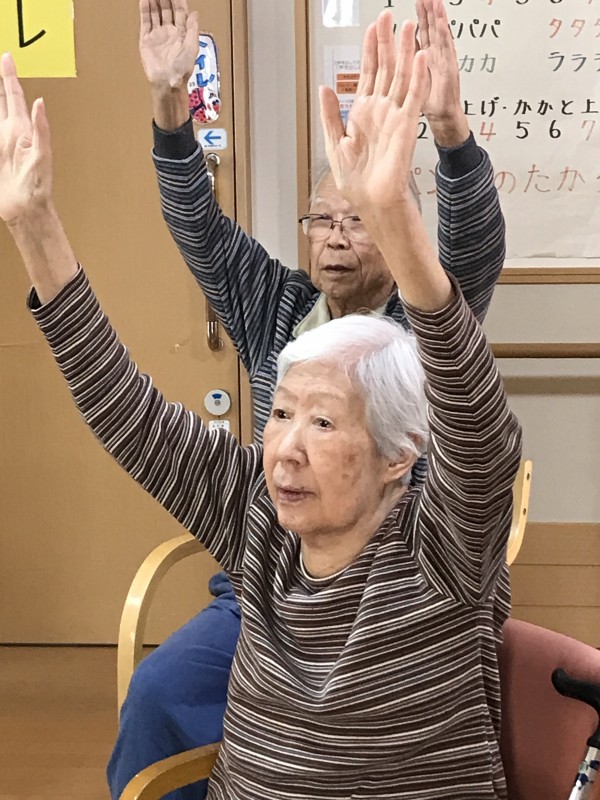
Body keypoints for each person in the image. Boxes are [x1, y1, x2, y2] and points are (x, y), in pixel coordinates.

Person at [0, 12, 522, 794]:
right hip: (268, 603)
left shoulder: (441, 550)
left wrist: (404, 204)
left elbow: (477, 421)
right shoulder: (261, 510)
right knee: (161, 691)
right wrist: (34, 225)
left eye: (323, 421)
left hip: (398, 597)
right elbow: (128, 411)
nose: (285, 448)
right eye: (279, 413)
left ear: (401, 452)